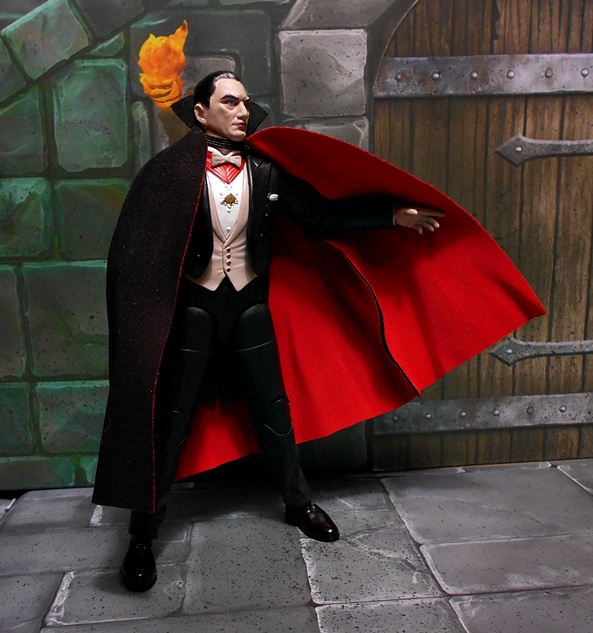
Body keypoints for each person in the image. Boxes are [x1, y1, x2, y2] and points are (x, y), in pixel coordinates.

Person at [92, 70, 544, 592]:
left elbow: (321, 217)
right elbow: (137, 252)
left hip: (249, 306)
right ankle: (143, 534)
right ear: (200, 111)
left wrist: (390, 215)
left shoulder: (264, 169)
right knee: (172, 419)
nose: (243, 112)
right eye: (230, 102)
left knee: (273, 412)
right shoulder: (170, 173)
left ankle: (298, 503)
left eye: (246, 103)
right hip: (195, 310)